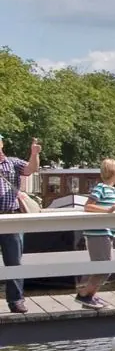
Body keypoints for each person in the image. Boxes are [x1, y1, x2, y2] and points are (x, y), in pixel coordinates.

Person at [76, 158, 115, 310]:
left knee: (106, 266)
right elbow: (88, 206)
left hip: (107, 232)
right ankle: (85, 294)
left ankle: (90, 295)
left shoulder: (112, 190)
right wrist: (107, 211)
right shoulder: (101, 188)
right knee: (105, 267)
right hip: (97, 232)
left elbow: (114, 208)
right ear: (113, 173)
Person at [0, 134, 42, 314]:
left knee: (14, 261)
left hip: (10, 216)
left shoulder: (12, 162)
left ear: (1, 144)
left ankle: (16, 300)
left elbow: (30, 169)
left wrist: (34, 154)